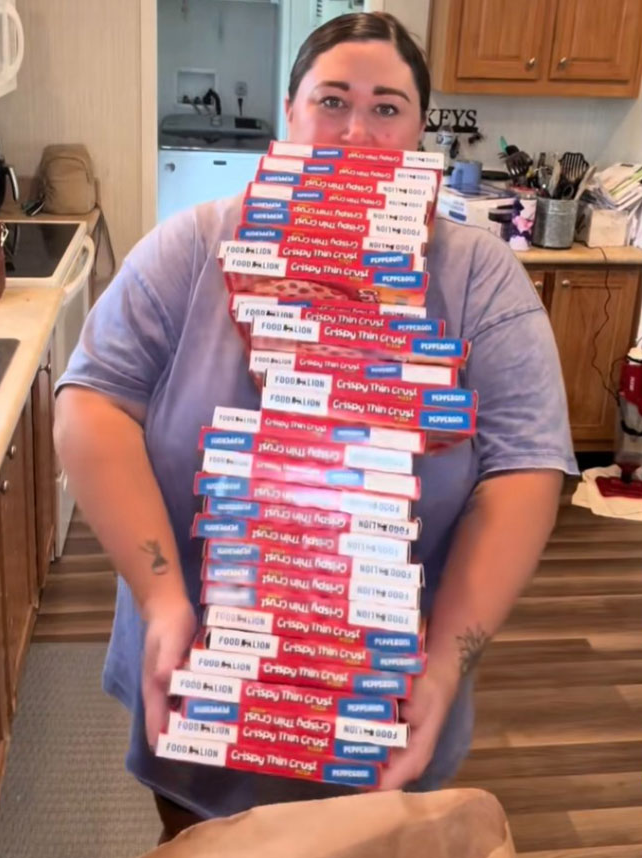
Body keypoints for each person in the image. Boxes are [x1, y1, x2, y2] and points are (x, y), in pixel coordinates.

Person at [54, 11, 578, 842]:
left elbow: (526, 466)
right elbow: (91, 399)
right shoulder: (195, 245)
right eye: (332, 100)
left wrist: (444, 667)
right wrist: (161, 600)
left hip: (390, 704)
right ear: (291, 112)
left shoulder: (479, 276)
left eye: (387, 108)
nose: (356, 131)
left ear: (418, 132)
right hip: (202, 684)